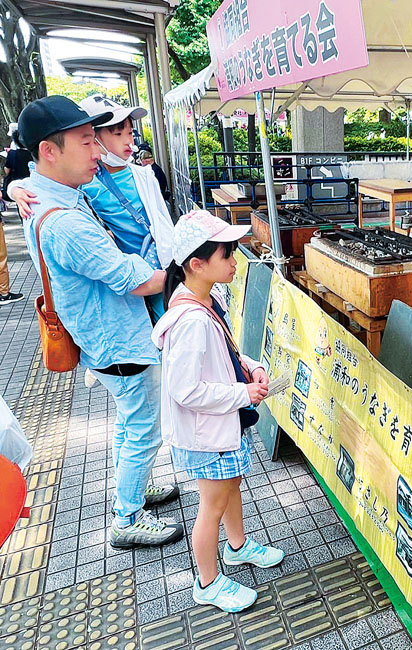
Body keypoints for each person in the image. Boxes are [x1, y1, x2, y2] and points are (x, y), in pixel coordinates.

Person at [16, 95, 184, 548]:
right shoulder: (64, 222)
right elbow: (136, 280)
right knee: (144, 426)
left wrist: (13, 186)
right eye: (87, 141)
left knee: (131, 421)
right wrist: (187, 272)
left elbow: (26, 180)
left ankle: (134, 488)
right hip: (118, 339)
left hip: (104, 336)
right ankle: (127, 518)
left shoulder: (45, 195)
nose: (98, 151)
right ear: (49, 151)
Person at [152, 210, 285, 612]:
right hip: (206, 434)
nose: (234, 260)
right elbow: (185, 390)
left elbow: (224, 353)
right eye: (226, 254)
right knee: (211, 507)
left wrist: (250, 367)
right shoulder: (191, 320)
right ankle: (207, 583)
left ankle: (238, 546)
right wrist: (243, 393)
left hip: (222, 425)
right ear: (197, 264)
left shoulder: (207, 298)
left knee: (231, 487)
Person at [11, 94, 174, 322]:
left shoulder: (140, 174)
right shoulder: (72, 207)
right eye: (87, 142)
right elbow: (132, 280)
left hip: (157, 263)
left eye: (130, 133)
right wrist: (15, 190)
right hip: (133, 287)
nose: (128, 141)